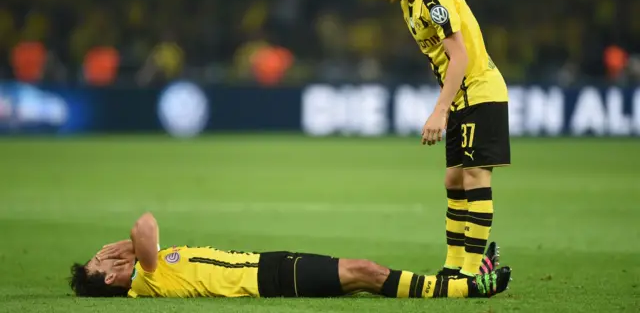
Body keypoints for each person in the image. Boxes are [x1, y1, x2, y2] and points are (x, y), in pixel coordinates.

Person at [356, 0, 511, 280]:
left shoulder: (435, 0)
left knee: (475, 177)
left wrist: (439, 111)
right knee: (453, 178)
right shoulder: (408, 7)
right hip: (459, 98)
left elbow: (460, 58)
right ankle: (452, 266)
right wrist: (447, 104)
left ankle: (471, 274)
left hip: (481, 93)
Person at [69, 212, 511, 299]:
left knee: (362, 277)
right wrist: (129, 245)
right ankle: (469, 287)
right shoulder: (144, 280)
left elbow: (147, 233)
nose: (105, 253)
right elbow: (144, 224)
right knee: (367, 272)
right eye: (100, 259)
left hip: (269, 264)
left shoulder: (152, 271)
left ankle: (462, 282)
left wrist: (134, 247)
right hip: (270, 280)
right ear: (110, 278)